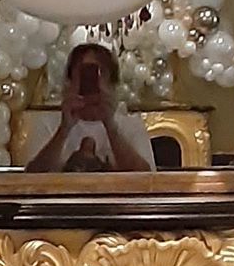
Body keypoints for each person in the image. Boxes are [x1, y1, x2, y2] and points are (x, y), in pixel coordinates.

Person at [24, 42, 155, 173]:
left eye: (100, 74)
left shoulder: (130, 123)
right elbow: (32, 177)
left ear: (111, 83)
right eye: (83, 74)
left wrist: (110, 126)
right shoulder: (47, 121)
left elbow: (146, 178)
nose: (91, 82)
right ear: (70, 81)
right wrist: (64, 129)